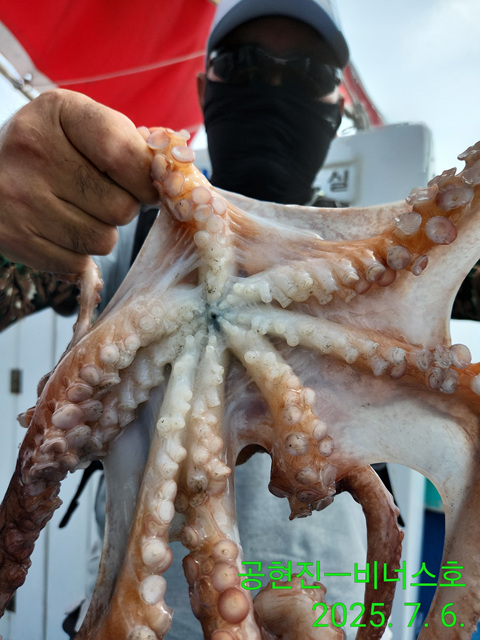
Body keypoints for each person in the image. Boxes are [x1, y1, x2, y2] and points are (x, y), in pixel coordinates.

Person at [0, 1, 393, 638]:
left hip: (339, 616)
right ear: (204, 88)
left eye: (306, 70)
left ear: (336, 102)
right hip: (140, 619)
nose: (272, 85)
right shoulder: (129, 242)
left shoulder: (382, 263)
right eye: (245, 63)